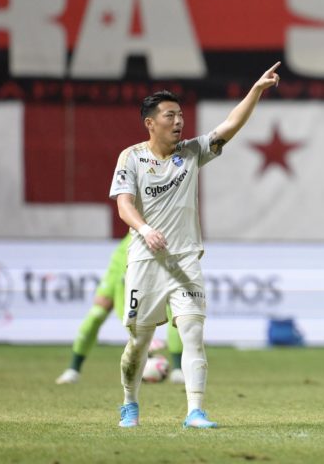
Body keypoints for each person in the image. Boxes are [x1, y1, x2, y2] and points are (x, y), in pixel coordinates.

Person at [109, 61, 281, 429]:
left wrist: (256, 90)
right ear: (150, 123)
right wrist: (145, 229)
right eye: (169, 115)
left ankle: (195, 411)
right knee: (139, 343)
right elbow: (123, 205)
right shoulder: (131, 157)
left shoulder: (191, 153)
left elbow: (230, 126)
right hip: (146, 261)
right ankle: (129, 404)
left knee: (192, 333)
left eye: (181, 115)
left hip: (185, 260)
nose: (178, 122)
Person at [55, 234, 186, 385]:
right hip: (128, 253)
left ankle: (178, 370)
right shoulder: (129, 251)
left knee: (176, 310)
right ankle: (73, 369)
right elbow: (123, 298)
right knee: (97, 313)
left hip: (165, 250)